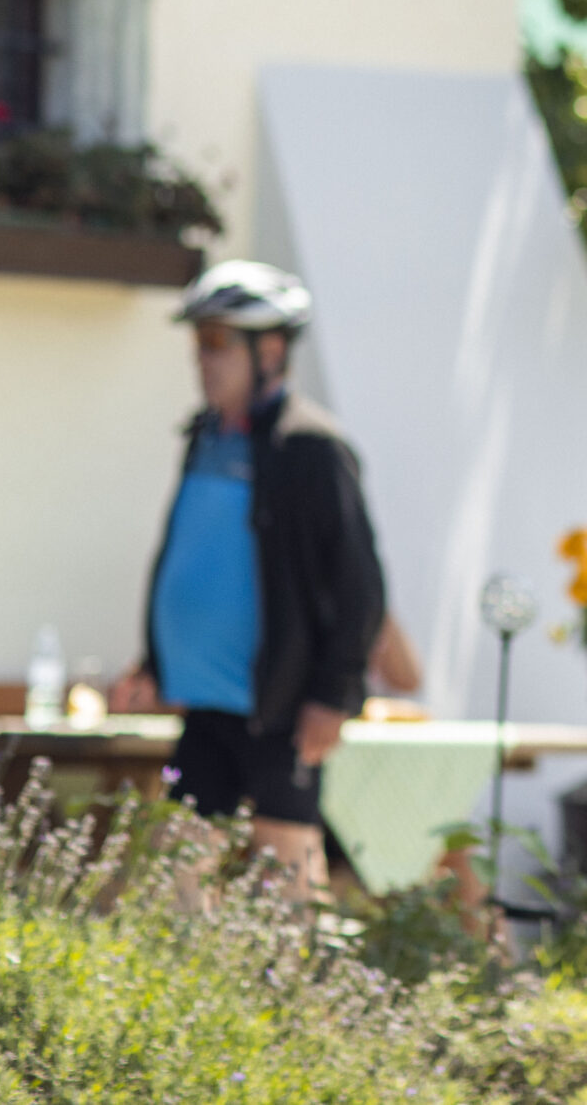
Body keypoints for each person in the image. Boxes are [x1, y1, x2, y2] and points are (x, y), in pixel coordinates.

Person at [108, 260, 388, 900]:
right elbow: (190, 554)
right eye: (197, 345)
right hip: (206, 706)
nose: (202, 362)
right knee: (174, 876)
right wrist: (154, 658)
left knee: (282, 872)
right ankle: (185, 995)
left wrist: (334, 694)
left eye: (216, 344)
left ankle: (289, 997)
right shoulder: (203, 438)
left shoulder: (310, 448)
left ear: (270, 351)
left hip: (280, 708)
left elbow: (359, 584)